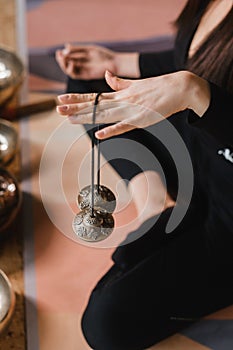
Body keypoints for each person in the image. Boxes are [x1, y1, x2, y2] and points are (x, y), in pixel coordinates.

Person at [56, 0, 233, 349]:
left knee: (106, 324)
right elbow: (203, 62)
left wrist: (197, 94)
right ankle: (153, 199)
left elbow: (201, 84)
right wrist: (119, 63)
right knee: (90, 84)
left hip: (228, 211)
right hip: (198, 143)